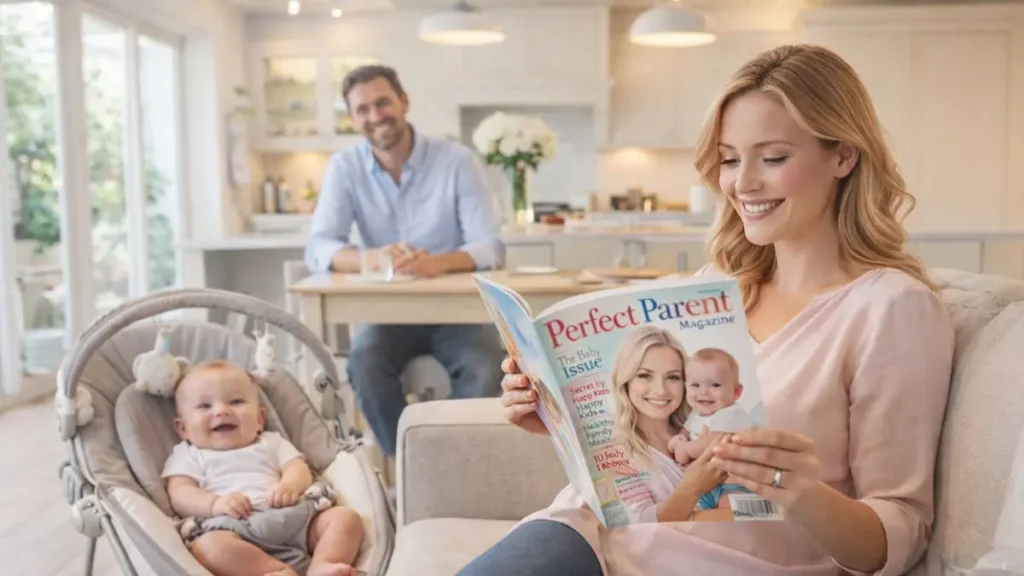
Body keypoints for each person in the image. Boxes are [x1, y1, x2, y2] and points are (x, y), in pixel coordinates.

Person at [460, 43, 955, 576]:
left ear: (843, 155)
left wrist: (800, 491)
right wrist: (563, 419)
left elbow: (902, 531)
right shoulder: (715, 289)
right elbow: (657, 452)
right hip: (586, 535)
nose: (743, 183)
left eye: (773, 158)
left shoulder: (891, 309)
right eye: (729, 159)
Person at [304, 64, 507, 458]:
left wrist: (441, 263)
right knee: (364, 363)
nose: (375, 116)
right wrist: (370, 258)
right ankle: (410, 465)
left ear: (404, 101)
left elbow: (491, 247)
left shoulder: (457, 161)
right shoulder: (344, 169)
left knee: (486, 365)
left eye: (383, 103)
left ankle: (455, 462)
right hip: (387, 313)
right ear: (353, 118)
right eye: (362, 109)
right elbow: (318, 247)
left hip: (458, 313)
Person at [162, 360, 364, 576]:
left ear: (259, 419)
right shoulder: (189, 454)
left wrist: (289, 484)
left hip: (291, 516)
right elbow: (180, 493)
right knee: (207, 548)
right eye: (204, 406)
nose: (221, 411)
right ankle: (274, 571)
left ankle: (322, 565)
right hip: (232, 527)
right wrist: (215, 504)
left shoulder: (270, 442)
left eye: (236, 401)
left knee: (346, 518)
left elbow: (297, 467)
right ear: (182, 428)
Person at [605, 325, 733, 524]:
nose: (660, 390)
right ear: (625, 381)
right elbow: (639, 527)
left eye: (673, 377)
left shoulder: (702, 430)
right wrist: (692, 488)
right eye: (644, 375)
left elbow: (757, 509)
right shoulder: (615, 454)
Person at [669, 347, 755, 467]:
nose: (703, 392)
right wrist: (679, 438)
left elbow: (713, 442)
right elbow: (687, 430)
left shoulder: (732, 414)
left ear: (736, 392)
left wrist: (685, 449)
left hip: (732, 478)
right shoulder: (696, 413)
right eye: (695, 385)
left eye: (715, 385)